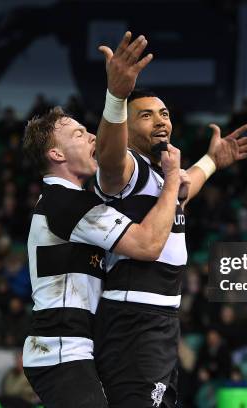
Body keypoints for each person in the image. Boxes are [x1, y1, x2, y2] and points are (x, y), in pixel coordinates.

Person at [93, 32, 247, 407]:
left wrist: (213, 160)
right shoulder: (125, 171)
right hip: (133, 318)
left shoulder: (161, 174)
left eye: (164, 114)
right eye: (147, 115)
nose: (160, 122)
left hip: (162, 321)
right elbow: (108, 152)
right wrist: (116, 97)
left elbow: (186, 188)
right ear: (127, 125)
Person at [21, 100, 185, 407]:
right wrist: (173, 179)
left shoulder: (72, 200)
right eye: (80, 134)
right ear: (56, 154)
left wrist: (208, 164)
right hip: (61, 350)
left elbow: (163, 212)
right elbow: (148, 244)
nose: (93, 138)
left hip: (75, 347)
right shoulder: (64, 204)